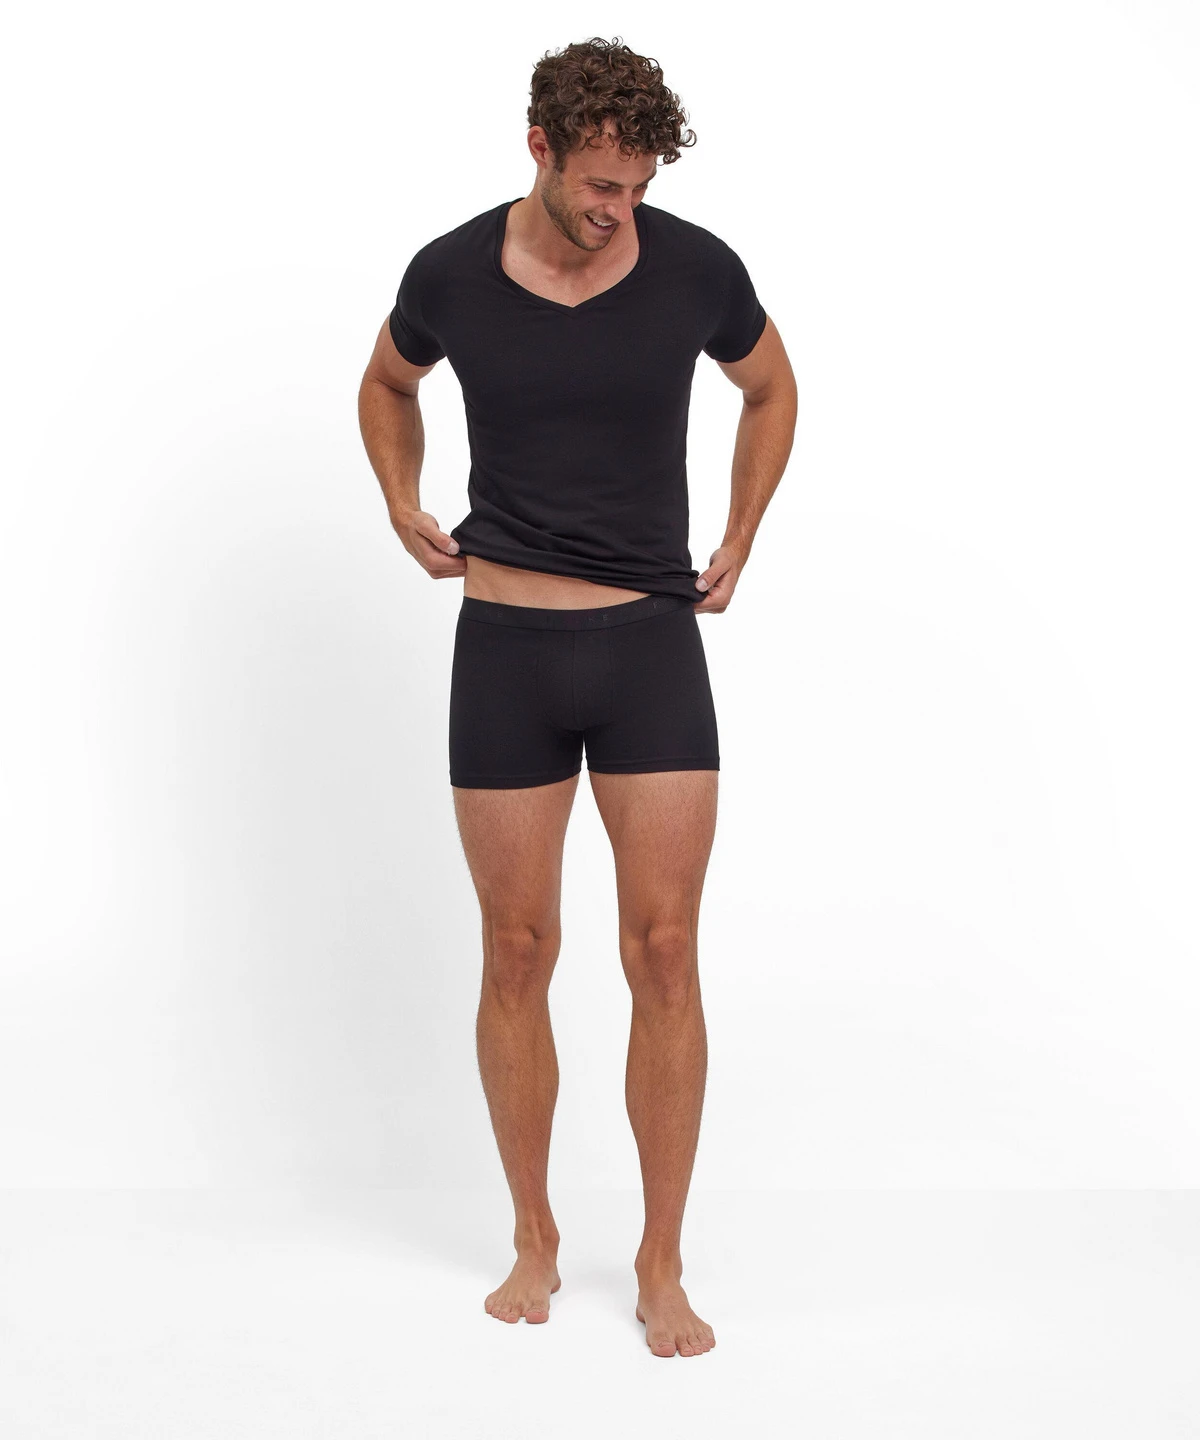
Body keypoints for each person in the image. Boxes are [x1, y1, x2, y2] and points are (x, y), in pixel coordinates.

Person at [358, 35, 796, 1359]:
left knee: (663, 952)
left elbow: (770, 386)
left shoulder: (697, 270)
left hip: (651, 649)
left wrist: (742, 530)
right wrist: (399, 499)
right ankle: (534, 1237)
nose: (621, 209)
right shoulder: (448, 273)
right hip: (504, 651)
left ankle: (660, 1259)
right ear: (540, 149)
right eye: (603, 185)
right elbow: (388, 382)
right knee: (516, 951)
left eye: (640, 187)